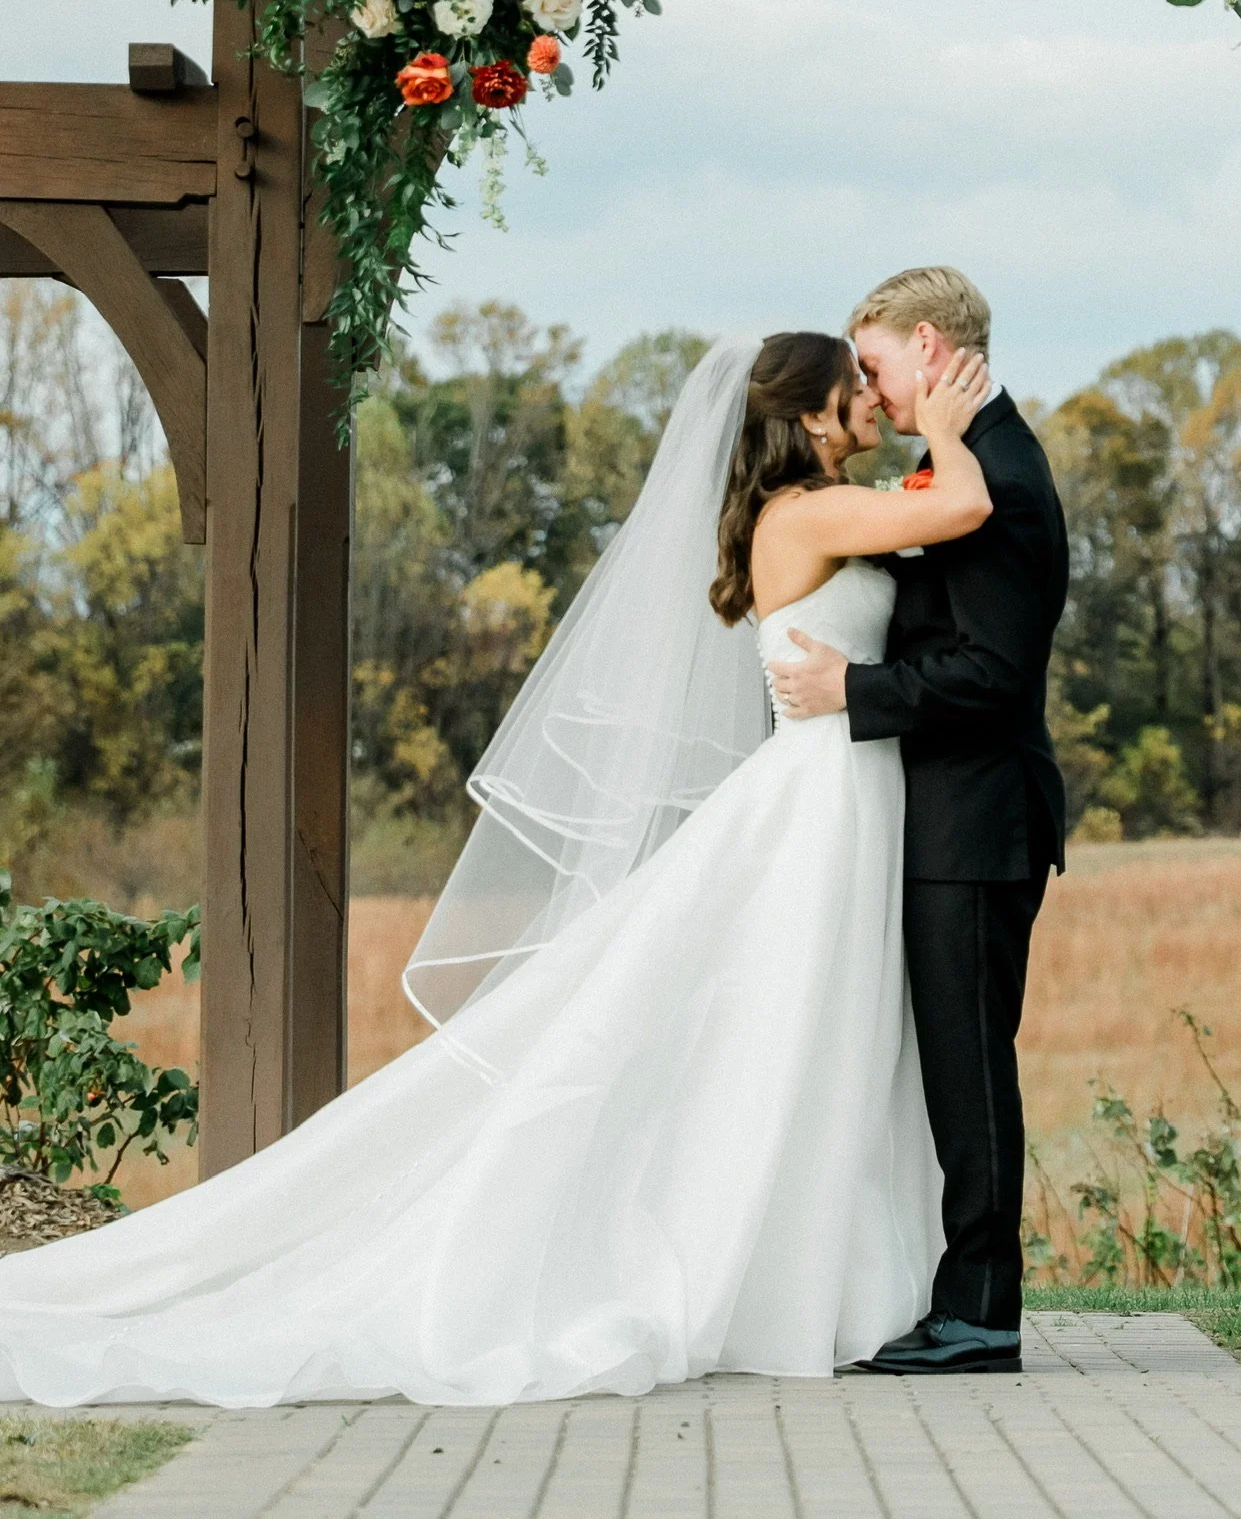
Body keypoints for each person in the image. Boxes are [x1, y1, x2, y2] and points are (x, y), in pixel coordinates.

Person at [0, 330, 998, 1407]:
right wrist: (945, 428)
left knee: (815, 1037)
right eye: (853, 386)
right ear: (806, 418)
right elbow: (963, 511)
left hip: (843, 794)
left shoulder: (818, 506)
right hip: (815, 805)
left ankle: (809, 1273)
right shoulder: (801, 515)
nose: (867, 396)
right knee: (789, 1026)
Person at [767, 267, 1069, 1376]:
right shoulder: (961, 469)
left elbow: (990, 670)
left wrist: (856, 693)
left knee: (969, 1066)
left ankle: (983, 1311)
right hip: (944, 814)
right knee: (949, 1063)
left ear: (932, 350)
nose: (876, 393)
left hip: (975, 819)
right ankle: (959, 1296)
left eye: (881, 368)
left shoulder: (1006, 480)